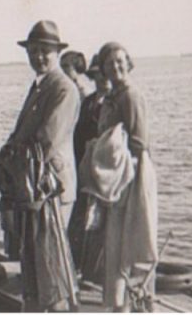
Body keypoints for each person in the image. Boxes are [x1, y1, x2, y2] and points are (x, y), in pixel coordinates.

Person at [5, 20, 80, 311]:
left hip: (51, 188)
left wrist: (12, 156)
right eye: (33, 51)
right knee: (35, 266)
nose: (38, 57)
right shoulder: (39, 86)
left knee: (52, 268)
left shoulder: (64, 88)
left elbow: (46, 140)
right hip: (32, 188)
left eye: (45, 51)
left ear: (57, 52)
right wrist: (8, 153)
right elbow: (20, 135)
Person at [96, 42, 158, 311]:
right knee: (117, 243)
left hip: (132, 174)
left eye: (120, 61)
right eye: (110, 63)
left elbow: (139, 143)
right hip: (118, 177)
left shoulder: (130, 95)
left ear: (128, 62)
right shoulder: (113, 96)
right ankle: (118, 304)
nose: (116, 67)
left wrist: (122, 179)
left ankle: (132, 304)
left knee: (130, 242)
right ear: (104, 70)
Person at [67, 54, 111, 282]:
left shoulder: (115, 103)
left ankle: (96, 272)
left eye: (105, 75)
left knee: (101, 225)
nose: (101, 80)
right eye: (96, 75)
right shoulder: (89, 101)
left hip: (103, 174)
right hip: (82, 169)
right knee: (82, 221)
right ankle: (79, 269)